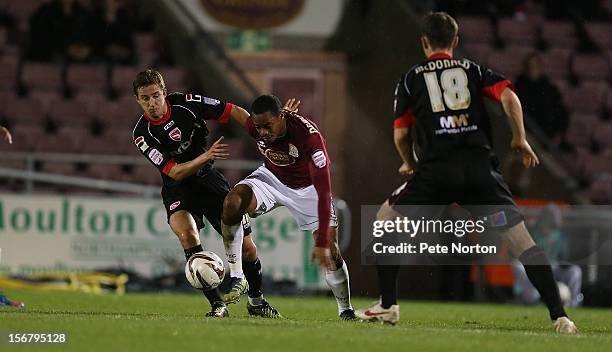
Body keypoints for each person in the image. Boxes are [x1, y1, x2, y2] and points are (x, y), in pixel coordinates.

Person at [354, 12, 578, 334]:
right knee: (522, 243)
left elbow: (401, 134)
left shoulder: (411, 78)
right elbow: (509, 96)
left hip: (435, 175)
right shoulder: (472, 69)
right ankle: (560, 317)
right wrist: (520, 138)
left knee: (385, 222)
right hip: (480, 176)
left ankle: (388, 306)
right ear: (456, 42)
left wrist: (408, 162)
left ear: (424, 42)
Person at [131, 69, 279, 318]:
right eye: (144, 98)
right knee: (187, 235)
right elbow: (175, 172)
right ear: (137, 100)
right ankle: (218, 305)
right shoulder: (141, 134)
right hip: (177, 187)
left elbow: (232, 110)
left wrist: (260, 136)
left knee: (247, 248)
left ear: (164, 93)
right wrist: (206, 156)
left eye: (155, 96)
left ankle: (257, 301)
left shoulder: (186, 105)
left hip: (209, 181)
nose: (151, 103)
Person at [221, 94, 355, 320]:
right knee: (232, 203)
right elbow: (234, 111)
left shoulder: (309, 139)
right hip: (272, 179)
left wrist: (321, 239)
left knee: (331, 251)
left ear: (281, 117)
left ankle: (345, 310)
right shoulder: (259, 125)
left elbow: (323, 191)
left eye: (268, 126)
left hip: (308, 190)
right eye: (259, 127)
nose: (262, 132)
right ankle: (236, 276)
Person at [513, 204, 583, 307]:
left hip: (554, 267)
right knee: (517, 266)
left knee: (575, 271)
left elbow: (564, 257)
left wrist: (562, 264)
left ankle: (572, 303)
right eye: (546, 224)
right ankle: (532, 298)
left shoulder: (561, 236)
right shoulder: (531, 232)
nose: (547, 229)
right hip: (535, 267)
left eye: (551, 226)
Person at [515, 52, 569, 142]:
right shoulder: (517, 90)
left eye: (535, 66)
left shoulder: (549, 90)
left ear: (540, 67)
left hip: (545, 138)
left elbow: (560, 113)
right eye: (529, 66)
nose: (532, 69)